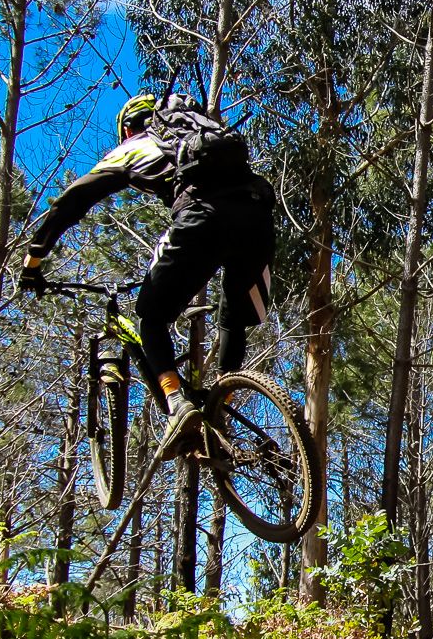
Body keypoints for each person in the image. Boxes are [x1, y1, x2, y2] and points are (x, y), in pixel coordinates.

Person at [19, 94, 276, 459]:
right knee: (233, 320)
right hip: (259, 219)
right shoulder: (204, 133)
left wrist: (34, 259)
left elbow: (75, 199)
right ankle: (221, 404)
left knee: (150, 317)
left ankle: (176, 401)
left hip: (202, 218)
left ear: (126, 129)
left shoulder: (135, 145)